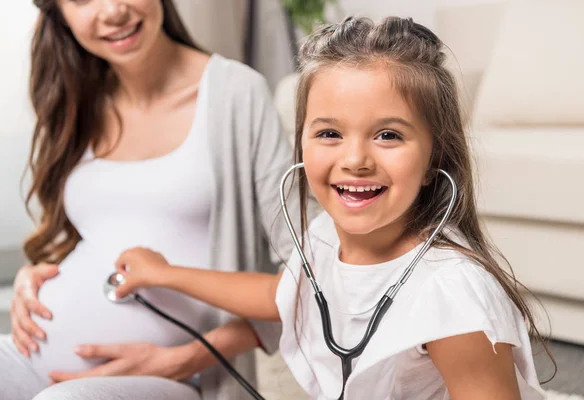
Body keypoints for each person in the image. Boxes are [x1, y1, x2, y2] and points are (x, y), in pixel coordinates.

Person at [111, 16, 555, 400]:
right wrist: (164, 273)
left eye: (388, 135)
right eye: (329, 134)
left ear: (433, 161)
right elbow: (281, 296)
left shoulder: (451, 296)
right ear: (301, 141)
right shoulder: (325, 235)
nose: (355, 160)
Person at [0, 0, 310, 399]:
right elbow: (97, 232)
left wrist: (188, 359)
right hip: (32, 361)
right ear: (58, 12)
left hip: (178, 379)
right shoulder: (77, 97)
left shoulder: (235, 94)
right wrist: (35, 276)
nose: (113, 11)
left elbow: (311, 279)